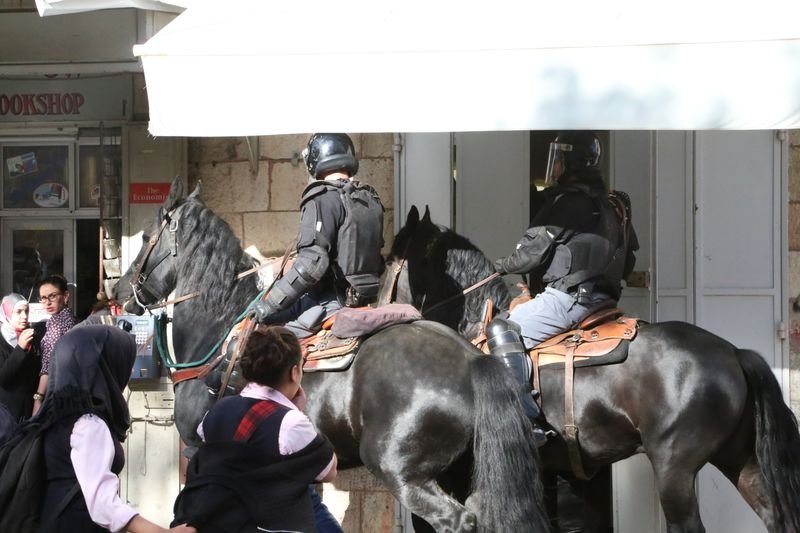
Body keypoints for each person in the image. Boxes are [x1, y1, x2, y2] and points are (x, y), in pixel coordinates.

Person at [490, 131, 639, 419]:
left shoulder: (566, 202)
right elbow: (629, 261)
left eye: (558, 158)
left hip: (569, 300)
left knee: (500, 330)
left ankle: (524, 415)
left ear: (571, 161)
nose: (555, 165)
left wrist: (497, 267)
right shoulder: (614, 204)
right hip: (604, 302)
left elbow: (529, 255)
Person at [172, 325, 338, 533]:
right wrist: (298, 412)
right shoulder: (292, 422)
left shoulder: (217, 410)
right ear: (294, 373)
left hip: (214, 519)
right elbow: (328, 472)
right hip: (262, 523)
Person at [37, 324, 195, 533]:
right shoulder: (88, 424)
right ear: (104, 367)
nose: (128, 372)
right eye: (124, 363)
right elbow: (102, 503)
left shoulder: (52, 417)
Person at [253, 133, 385, 337]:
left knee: (257, 338)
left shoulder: (322, 197)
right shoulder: (369, 198)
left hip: (327, 304)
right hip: (363, 301)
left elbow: (311, 264)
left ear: (314, 160)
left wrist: (269, 304)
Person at [33, 274, 78, 416]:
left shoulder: (58, 323)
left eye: (52, 296)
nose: (47, 302)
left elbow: (48, 364)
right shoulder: (70, 319)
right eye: (43, 298)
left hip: (56, 391)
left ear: (65, 296)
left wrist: (38, 397)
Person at [0, 293, 44, 422]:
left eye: (26, 311)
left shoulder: (33, 337)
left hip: (30, 409)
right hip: (7, 413)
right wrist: (20, 348)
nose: (24, 316)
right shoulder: (2, 339)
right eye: (18, 312)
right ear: (6, 313)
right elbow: (4, 378)